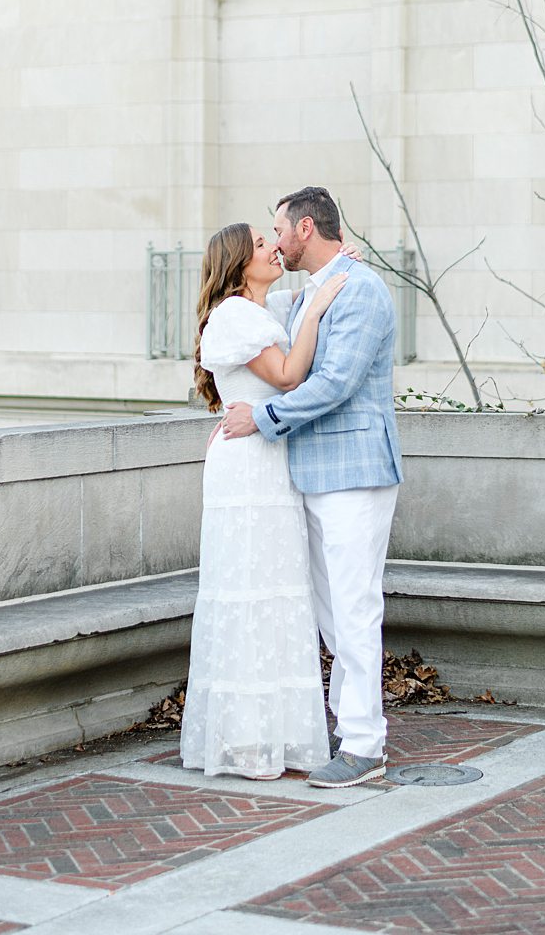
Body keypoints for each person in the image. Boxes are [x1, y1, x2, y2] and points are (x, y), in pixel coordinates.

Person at [221, 185, 402, 789]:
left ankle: (364, 744)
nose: (273, 242)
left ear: (304, 228)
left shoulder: (363, 291)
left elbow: (333, 384)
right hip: (314, 478)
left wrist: (263, 419)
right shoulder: (317, 292)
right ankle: (349, 734)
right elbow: (274, 330)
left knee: (354, 611)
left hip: (354, 473)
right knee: (333, 616)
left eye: (279, 230)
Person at [182, 222, 346, 780]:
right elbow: (287, 372)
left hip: (270, 462)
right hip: (247, 469)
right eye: (259, 244)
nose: (272, 248)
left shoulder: (264, 308)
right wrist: (321, 306)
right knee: (249, 592)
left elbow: (299, 298)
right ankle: (247, 742)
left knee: (278, 594)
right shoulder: (233, 315)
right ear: (236, 261)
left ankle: (278, 738)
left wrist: (331, 265)